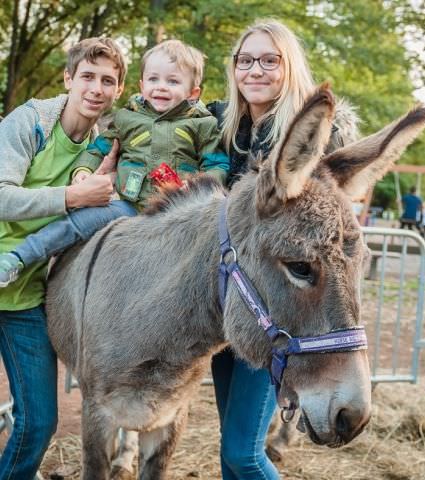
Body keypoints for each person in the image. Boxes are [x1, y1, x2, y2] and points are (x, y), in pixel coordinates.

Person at [207, 20, 356, 479]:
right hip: (226, 303)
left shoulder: (315, 139)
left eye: (270, 60)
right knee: (229, 447)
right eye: (245, 60)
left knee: (243, 453)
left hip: (275, 305)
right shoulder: (220, 128)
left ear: (288, 67)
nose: (256, 70)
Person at [0, 39, 229, 288]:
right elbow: (98, 150)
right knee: (78, 224)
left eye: (172, 81)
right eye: (153, 80)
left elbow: (217, 164)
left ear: (193, 92)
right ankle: (18, 258)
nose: (161, 87)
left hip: (179, 208)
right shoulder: (126, 118)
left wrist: (198, 184)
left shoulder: (202, 125)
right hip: (130, 204)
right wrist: (83, 171)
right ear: (142, 86)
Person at [0, 37, 126, 479]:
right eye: (88, 77)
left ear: (118, 91)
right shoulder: (30, 122)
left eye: (108, 81)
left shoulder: (108, 148)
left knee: (38, 423)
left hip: (24, 292)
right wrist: (74, 196)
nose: (96, 88)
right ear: (69, 79)